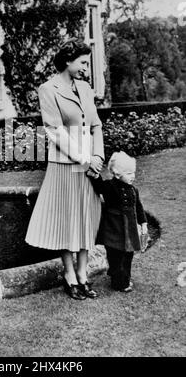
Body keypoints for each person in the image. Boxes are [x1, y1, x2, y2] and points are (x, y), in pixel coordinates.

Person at [25, 38, 104, 300]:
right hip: (64, 165)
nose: (85, 67)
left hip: (88, 166)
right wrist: (84, 158)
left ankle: (83, 274)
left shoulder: (85, 88)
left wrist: (97, 156)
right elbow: (55, 131)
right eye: (82, 62)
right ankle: (70, 275)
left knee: (85, 218)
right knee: (67, 220)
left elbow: (96, 126)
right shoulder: (48, 89)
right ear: (68, 61)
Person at [88, 151, 148, 293]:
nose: (132, 176)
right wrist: (95, 176)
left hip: (130, 229)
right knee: (115, 255)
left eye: (133, 172)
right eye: (128, 173)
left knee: (128, 255)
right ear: (117, 174)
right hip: (114, 229)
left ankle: (123, 278)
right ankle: (119, 282)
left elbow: (138, 207)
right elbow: (100, 187)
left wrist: (143, 223)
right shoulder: (111, 186)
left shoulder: (133, 190)